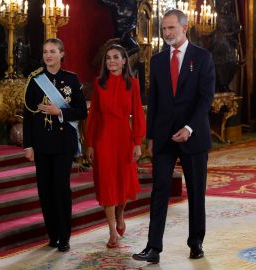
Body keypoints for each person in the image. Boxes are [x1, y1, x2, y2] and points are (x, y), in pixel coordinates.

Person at [132, 9, 215, 263]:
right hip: (164, 137)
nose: (167, 33)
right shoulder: (157, 61)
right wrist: (151, 136)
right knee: (159, 191)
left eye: (171, 28)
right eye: (164, 29)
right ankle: (153, 247)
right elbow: (154, 101)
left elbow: (205, 99)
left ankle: (196, 242)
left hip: (194, 136)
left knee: (196, 191)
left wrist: (189, 128)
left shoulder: (202, 58)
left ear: (184, 28)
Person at [23, 38, 87, 252]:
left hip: (63, 144)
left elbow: (82, 111)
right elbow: (28, 116)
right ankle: (52, 235)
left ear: (61, 54)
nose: (48, 55)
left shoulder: (71, 79)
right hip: (41, 143)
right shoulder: (35, 80)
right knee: (45, 190)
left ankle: (65, 236)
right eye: (45, 52)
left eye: (52, 51)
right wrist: (28, 145)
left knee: (60, 188)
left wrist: (60, 112)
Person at [86, 44, 145, 248]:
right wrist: (90, 144)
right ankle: (112, 231)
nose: (111, 61)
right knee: (107, 184)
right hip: (103, 139)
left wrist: (138, 142)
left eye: (115, 57)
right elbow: (93, 116)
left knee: (123, 180)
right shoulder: (99, 84)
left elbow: (138, 113)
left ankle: (120, 213)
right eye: (108, 58)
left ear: (124, 60)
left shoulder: (133, 85)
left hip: (124, 138)